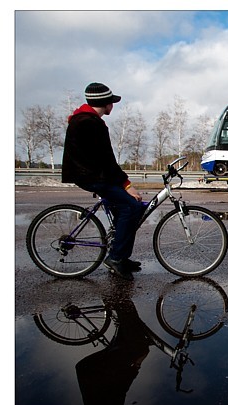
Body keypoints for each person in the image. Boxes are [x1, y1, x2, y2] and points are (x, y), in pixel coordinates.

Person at [62, 82, 143, 280]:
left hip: (92, 174)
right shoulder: (90, 123)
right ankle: (115, 258)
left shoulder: (85, 120)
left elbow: (104, 161)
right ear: (105, 103)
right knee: (130, 207)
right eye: (112, 102)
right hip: (92, 176)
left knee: (131, 208)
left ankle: (121, 256)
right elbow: (106, 160)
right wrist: (127, 185)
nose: (113, 105)